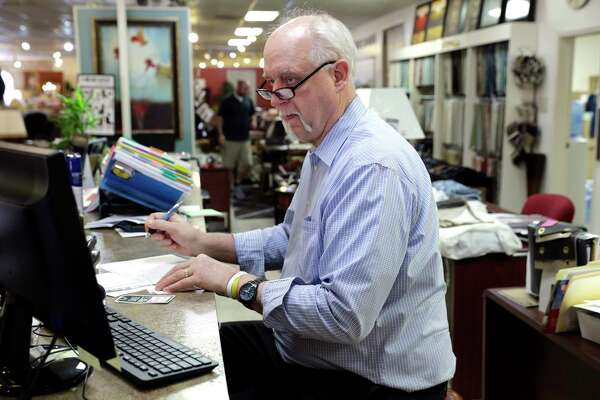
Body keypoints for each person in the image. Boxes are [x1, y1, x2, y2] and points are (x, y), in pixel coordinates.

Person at [147, 11, 455, 400]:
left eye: (290, 83)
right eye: (271, 86)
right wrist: (201, 244)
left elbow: (344, 315)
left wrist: (232, 282)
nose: (277, 102)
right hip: (313, 355)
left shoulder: (372, 166)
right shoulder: (325, 146)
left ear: (339, 74)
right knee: (191, 356)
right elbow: (293, 236)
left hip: (371, 382)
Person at [217, 80, 256, 185]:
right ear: (238, 87)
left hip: (245, 138)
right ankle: (230, 187)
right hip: (230, 139)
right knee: (229, 166)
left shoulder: (248, 100)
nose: (247, 90)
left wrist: (253, 121)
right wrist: (220, 134)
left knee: (248, 163)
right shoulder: (226, 101)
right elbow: (220, 119)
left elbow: (253, 114)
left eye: (247, 88)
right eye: (245, 88)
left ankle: (238, 181)